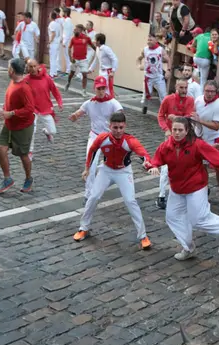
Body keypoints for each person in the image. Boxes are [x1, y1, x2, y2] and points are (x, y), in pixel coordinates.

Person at [145, 116, 219, 260]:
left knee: (198, 219)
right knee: (172, 217)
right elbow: (154, 161)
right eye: (174, 129)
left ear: (187, 131)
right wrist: (152, 167)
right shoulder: (166, 146)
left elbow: (217, 157)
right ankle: (188, 248)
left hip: (196, 187)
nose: (177, 133)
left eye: (180, 130)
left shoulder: (197, 144)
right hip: (177, 188)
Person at [74, 111, 153, 248]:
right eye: (115, 127)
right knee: (93, 197)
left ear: (125, 126)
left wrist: (149, 165)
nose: (118, 131)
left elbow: (144, 155)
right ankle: (83, 228)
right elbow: (92, 151)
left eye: (121, 127)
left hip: (123, 172)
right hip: (106, 170)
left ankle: (143, 236)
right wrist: (87, 168)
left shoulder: (130, 141)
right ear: (110, 126)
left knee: (130, 201)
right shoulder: (102, 138)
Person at [69, 75, 123, 203]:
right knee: (90, 165)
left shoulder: (113, 102)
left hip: (109, 137)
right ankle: (88, 194)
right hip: (94, 136)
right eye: (99, 88)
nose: (101, 91)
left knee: (115, 165)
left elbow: (120, 114)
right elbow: (79, 113)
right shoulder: (89, 103)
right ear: (95, 89)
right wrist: (74, 116)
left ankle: (102, 174)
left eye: (103, 88)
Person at [0, 58, 36, 194]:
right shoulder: (12, 81)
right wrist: (3, 111)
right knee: (1, 150)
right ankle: (8, 179)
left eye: (8, 67)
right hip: (9, 124)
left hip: (23, 126)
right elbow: (9, 100)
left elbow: (30, 109)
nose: (7, 70)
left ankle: (28, 178)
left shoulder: (24, 88)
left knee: (23, 155)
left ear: (12, 70)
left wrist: (11, 113)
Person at [156, 78, 195, 209]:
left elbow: (189, 118)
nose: (184, 90)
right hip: (170, 137)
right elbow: (161, 116)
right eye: (181, 88)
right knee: (166, 166)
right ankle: (161, 195)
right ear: (176, 87)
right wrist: (166, 129)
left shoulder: (190, 100)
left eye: (186, 88)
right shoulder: (167, 99)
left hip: (185, 138)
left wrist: (176, 118)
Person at [193, 80, 219, 206]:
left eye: (212, 91)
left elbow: (216, 126)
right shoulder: (197, 100)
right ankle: (204, 190)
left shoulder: (218, 104)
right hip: (200, 137)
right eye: (207, 91)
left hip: (214, 138)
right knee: (202, 166)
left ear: (216, 92)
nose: (209, 94)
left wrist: (200, 121)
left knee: (217, 166)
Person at [26, 58, 62, 158]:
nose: (33, 69)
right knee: (32, 130)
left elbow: (55, 91)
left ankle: (46, 132)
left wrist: (59, 102)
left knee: (53, 131)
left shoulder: (46, 78)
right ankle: (30, 151)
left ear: (38, 66)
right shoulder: (26, 80)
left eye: (34, 66)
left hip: (45, 108)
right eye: (30, 67)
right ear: (27, 68)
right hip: (32, 109)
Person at [137, 33, 170, 115]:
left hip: (158, 77)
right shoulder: (145, 50)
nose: (149, 41)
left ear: (156, 41)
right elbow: (139, 58)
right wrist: (139, 65)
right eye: (148, 40)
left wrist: (168, 70)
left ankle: (164, 112)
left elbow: (168, 60)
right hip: (148, 77)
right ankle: (145, 106)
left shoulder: (160, 50)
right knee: (146, 95)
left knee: (163, 94)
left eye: (151, 40)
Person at [65, 24, 96, 97]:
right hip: (74, 60)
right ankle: (68, 83)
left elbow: (92, 46)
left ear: (80, 30)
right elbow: (69, 48)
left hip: (83, 60)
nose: (74, 30)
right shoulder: (73, 39)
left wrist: (99, 51)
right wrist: (70, 58)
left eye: (76, 29)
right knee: (71, 74)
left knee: (84, 75)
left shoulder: (86, 38)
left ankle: (84, 90)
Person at [47, 11, 61, 78]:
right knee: (55, 59)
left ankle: (51, 74)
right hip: (57, 43)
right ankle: (54, 73)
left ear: (51, 16)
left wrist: (49, 42)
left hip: (53, 43)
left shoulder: (52, 24)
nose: (49, 16)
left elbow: (53, 34)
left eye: (49, 15)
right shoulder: (58, 24)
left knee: (52, 59)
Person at [61, 7, 73, 75]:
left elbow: (67, 33)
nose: (62, 13)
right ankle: (68, 70)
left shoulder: (68, 21)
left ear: (66, 13)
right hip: (66, 40)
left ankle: (69, 70)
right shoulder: (66, 20)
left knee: (67, 55)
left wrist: (64, 42)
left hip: (67, 41)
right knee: (66, 55)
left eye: (63, 12)